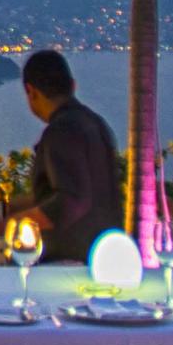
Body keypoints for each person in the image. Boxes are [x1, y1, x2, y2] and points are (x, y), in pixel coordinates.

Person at [16, 49, 122, 266]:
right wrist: (8, 207)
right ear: (73, 86)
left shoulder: (62, 130)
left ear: (31, 91)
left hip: (69, 262)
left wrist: (10, 223)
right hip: (106, 254)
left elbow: (70, 201)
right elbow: (81, 191)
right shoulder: (96, 124)